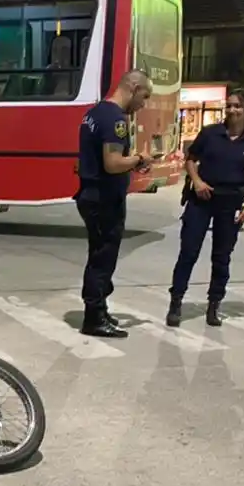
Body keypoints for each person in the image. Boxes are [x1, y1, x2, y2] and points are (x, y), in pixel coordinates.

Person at [165, 87, 244, 328]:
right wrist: (197, 181)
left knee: (221, 257)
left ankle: (214, 305)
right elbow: (190, 160)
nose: (232, 110)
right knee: (188, 252)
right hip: (201, 200)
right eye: (229, 105)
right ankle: (176, 303)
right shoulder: (210, 133)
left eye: (238, 106)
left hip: (229, 204)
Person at [75, 69, 154, 338]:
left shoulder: (94, 113)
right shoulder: (115, 120)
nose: (143, 104)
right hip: (104, 200)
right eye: (144, 96)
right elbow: (112, 163)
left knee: (100, 254)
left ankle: (99, 309)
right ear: (132, 88)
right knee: (102, 258)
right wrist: (140, 159)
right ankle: (94, 318)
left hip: (91, 195)